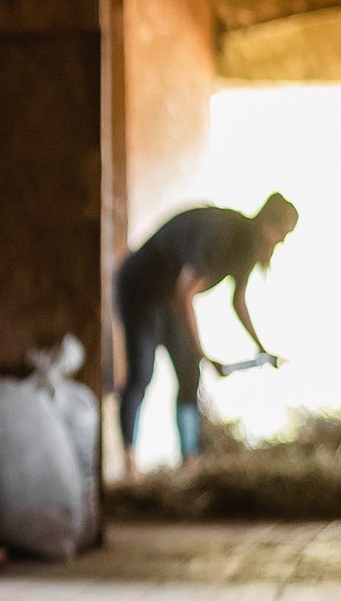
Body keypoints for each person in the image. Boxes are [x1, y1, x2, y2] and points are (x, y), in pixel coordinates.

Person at [115, 193, 298, 476]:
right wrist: (203, 354)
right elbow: (185, 293)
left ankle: (190, 463)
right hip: (140, 290)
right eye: (281, 234)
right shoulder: (223, 234)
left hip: (167, 299)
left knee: (190, 374)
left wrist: (261, 347)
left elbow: (238, 301)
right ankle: (130, 464)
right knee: (141, 374)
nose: (280, 242)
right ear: (268, 226)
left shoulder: (246, 251)